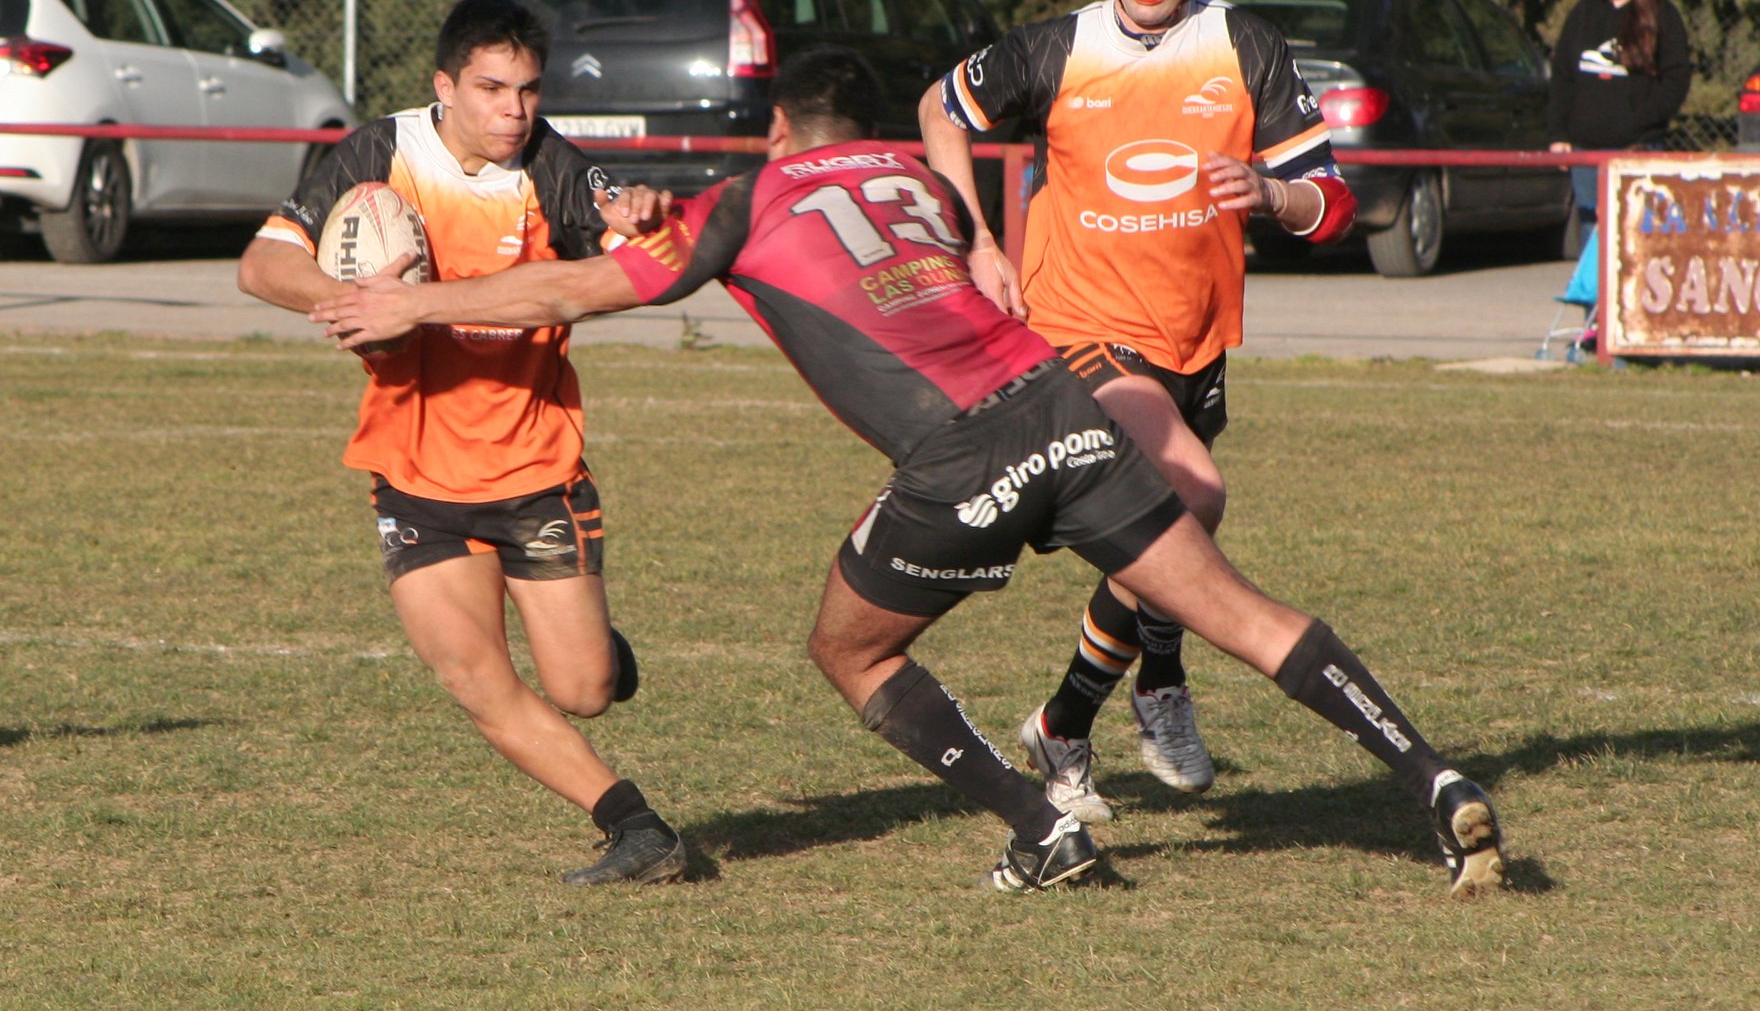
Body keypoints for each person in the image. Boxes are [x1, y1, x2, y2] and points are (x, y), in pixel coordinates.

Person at [309, 45, 1506, 897]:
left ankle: (1040, 826)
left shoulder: (747, 194)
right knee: (1237, 611)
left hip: (961, 453)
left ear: (778, 128)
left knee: (850, 646)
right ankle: (1436, 778)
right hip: (1063, 404)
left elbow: (578, 286)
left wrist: (415, 299)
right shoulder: (918, 181)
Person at [917, 0, 1356, 821]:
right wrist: (975, 238)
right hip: (1079, 327)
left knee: (1173, 535)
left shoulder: (1243, 44)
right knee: (1190, 491)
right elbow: (940, 108)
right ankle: (1140, 688)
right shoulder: (1060, 46)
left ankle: (1077, 716)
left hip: (1195, 337)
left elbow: (1331, 200)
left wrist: (1274, 193)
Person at [236, 0, 685, 886]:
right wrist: (347, 295)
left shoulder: (553, 165)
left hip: (533, 467)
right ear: (445, 86)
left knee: (584, 689)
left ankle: (596, 646)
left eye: (527, 89)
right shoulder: (379, 155)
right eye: (491, 88)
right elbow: (263, 264)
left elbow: (643, 261)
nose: (514, 110)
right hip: (413, 469)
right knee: (474, 678)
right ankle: (638, 829)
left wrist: (639, 220)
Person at [1547, 0, 1692, 347]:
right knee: (1592, 235)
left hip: (1637, 150)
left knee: (1636, 238)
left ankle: (1634, 326)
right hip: (1587, 151)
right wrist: (1559, 134)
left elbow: (1676, 77)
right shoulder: (1584, 14)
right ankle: (1593, 326)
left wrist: (1641, 118)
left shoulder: (1660, 15)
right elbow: (1561, 77)